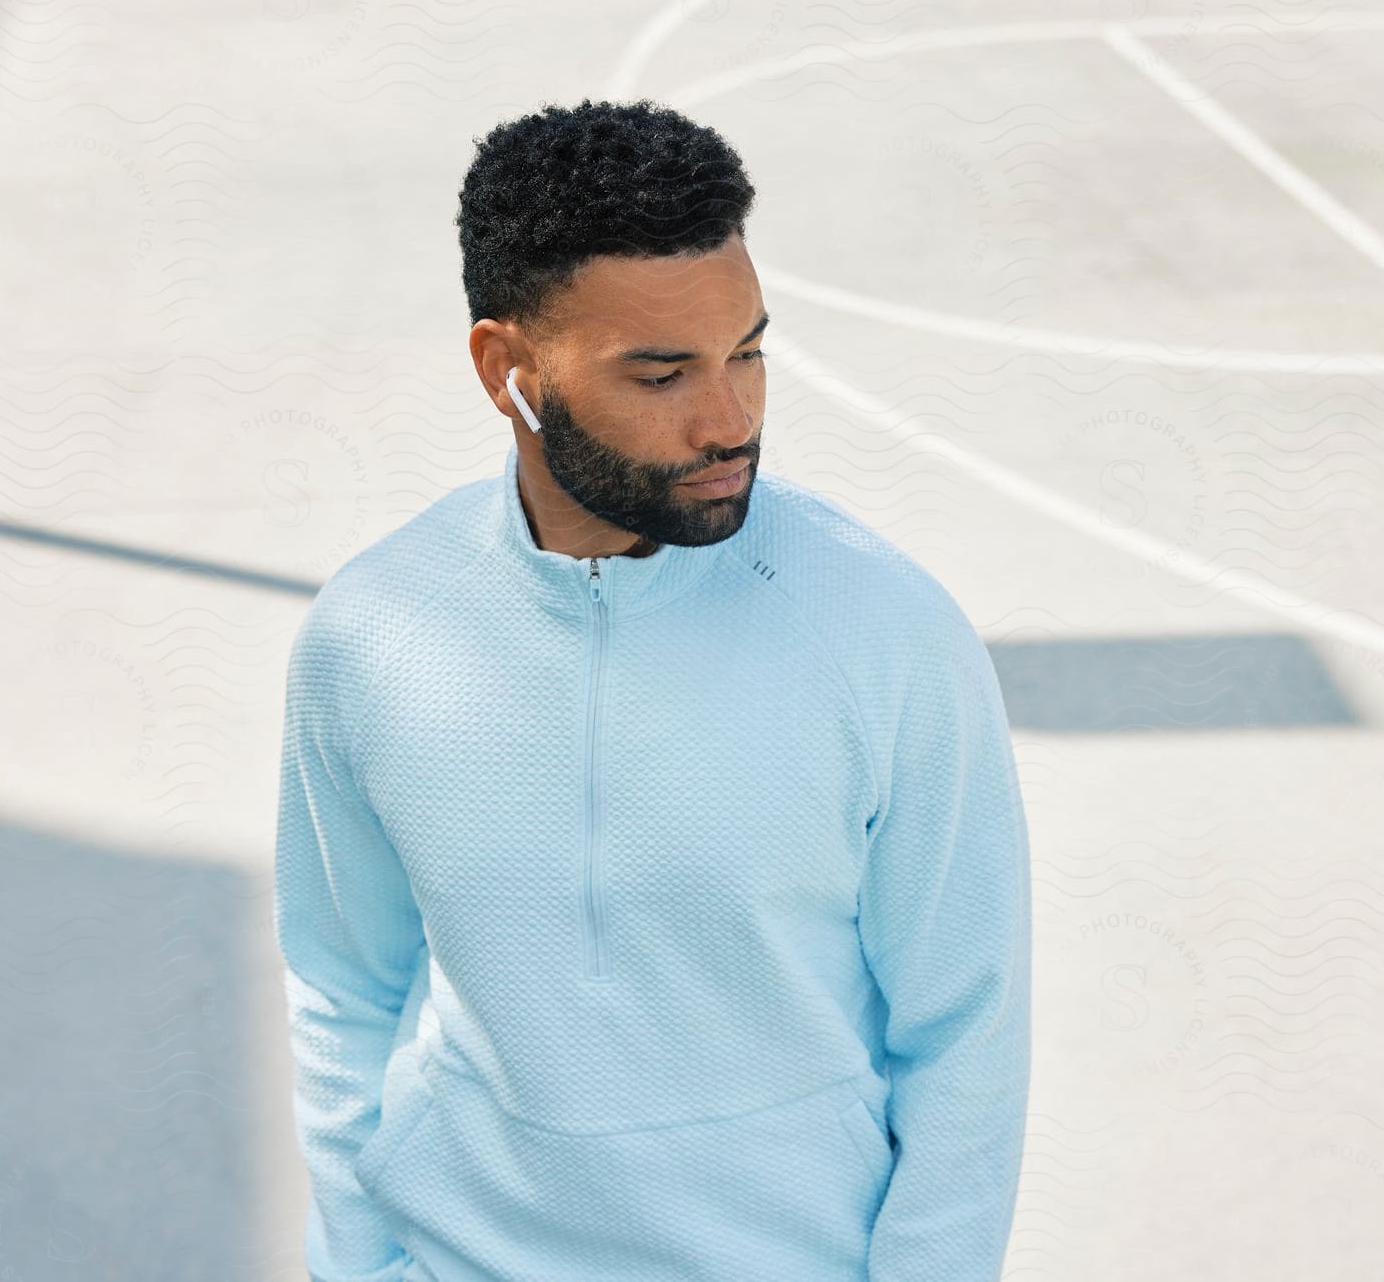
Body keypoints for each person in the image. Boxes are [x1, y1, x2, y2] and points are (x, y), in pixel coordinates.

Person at [274, 98, 1032, 1281]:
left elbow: (967, 1025)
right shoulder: (375, 636)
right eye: (663, 373)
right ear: (506, 370)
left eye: (750, 353)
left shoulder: (883, 631)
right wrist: (355, 1265)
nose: (730, 421)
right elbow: (342, 981)